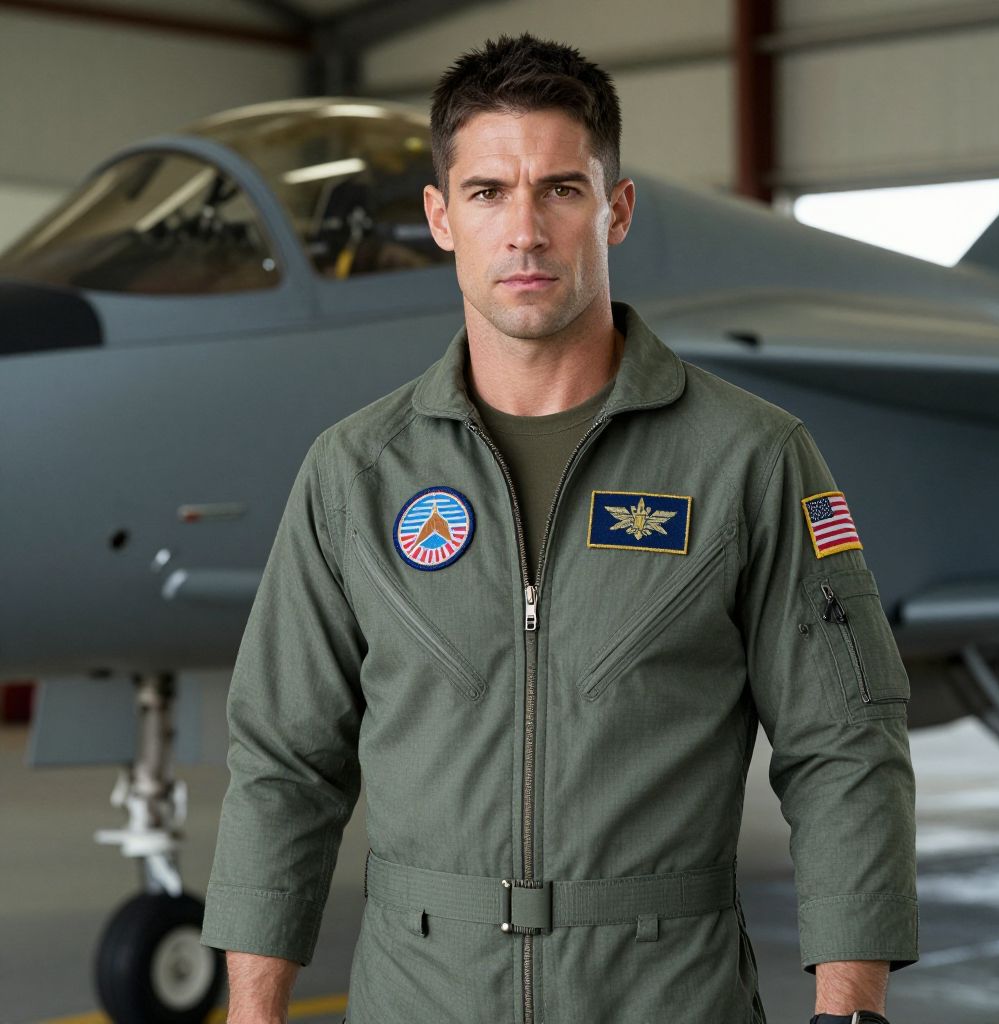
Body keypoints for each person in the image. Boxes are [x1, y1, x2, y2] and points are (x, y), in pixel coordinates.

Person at [201, 33, 918, 1024]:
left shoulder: (747, 458)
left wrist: (851, 1007)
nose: (525, 230)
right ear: (440, 217)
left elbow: (844, 747)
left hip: (666, 994)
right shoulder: (356, 474)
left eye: (561, 189)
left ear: (615, 209)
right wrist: (252, 1008)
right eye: (489, 192)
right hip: (422, 996)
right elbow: (283, 761)